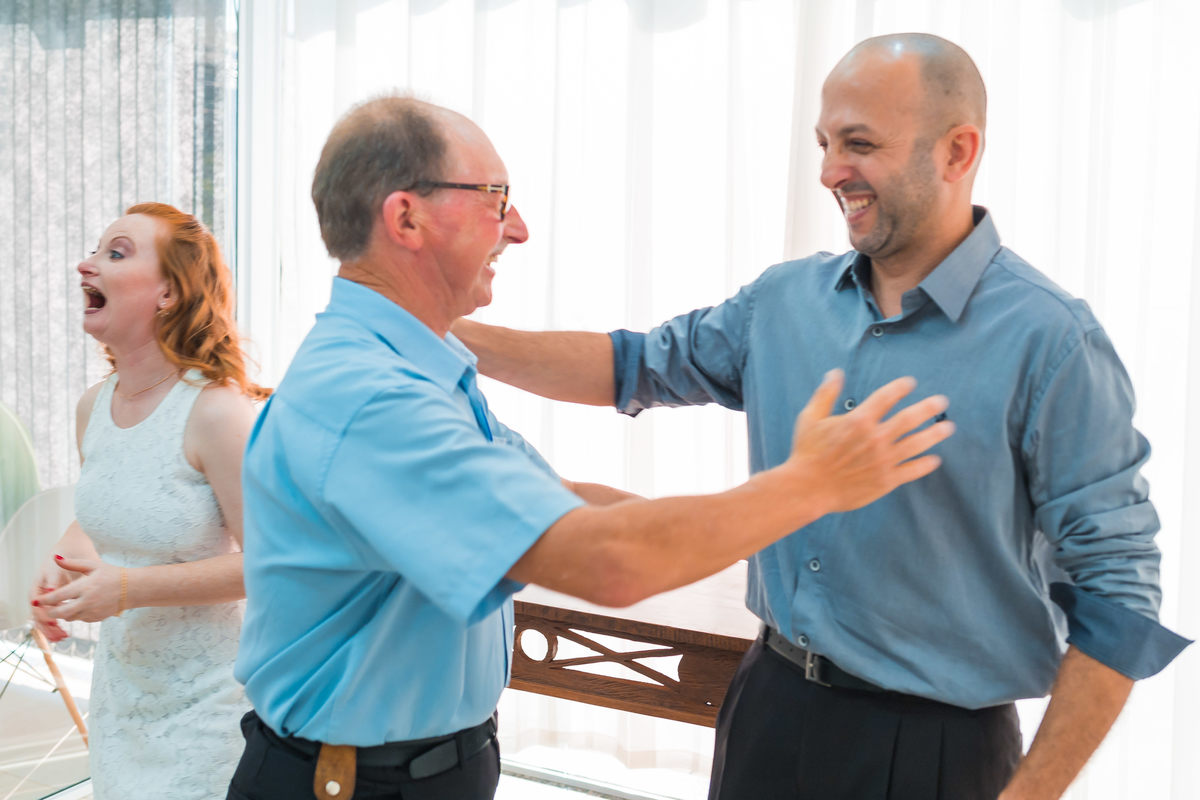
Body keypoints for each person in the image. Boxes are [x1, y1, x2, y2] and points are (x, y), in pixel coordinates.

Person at [452, 33, 1192, 800]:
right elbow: (634, 364)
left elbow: (1119, 599)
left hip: (937, 752)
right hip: (768, 707)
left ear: (957, 150)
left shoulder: (1053, 342)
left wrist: (1031, 795)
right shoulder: (782, 301)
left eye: (860, 144)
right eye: (826, 143)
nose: (831, 172)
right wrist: (445, 333)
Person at [227, 95, 953, 800]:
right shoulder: (370, 398)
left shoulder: (416, 366)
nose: (518, 228)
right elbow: (606, 560)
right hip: (353, 781)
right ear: (406, 217)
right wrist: (811, 484)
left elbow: (565, 501)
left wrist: (766, 535)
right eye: (494, 197)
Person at [30, 202, 267, 799]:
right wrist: (57, 574)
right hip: (122, 699)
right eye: (95, 250)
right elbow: (105, 514)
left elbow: (269, 566)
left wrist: (128, 589)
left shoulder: (217, 412)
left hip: (212, 713)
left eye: (116, 252)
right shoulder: (93, 406)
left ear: (168, 293)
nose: (85, 264)